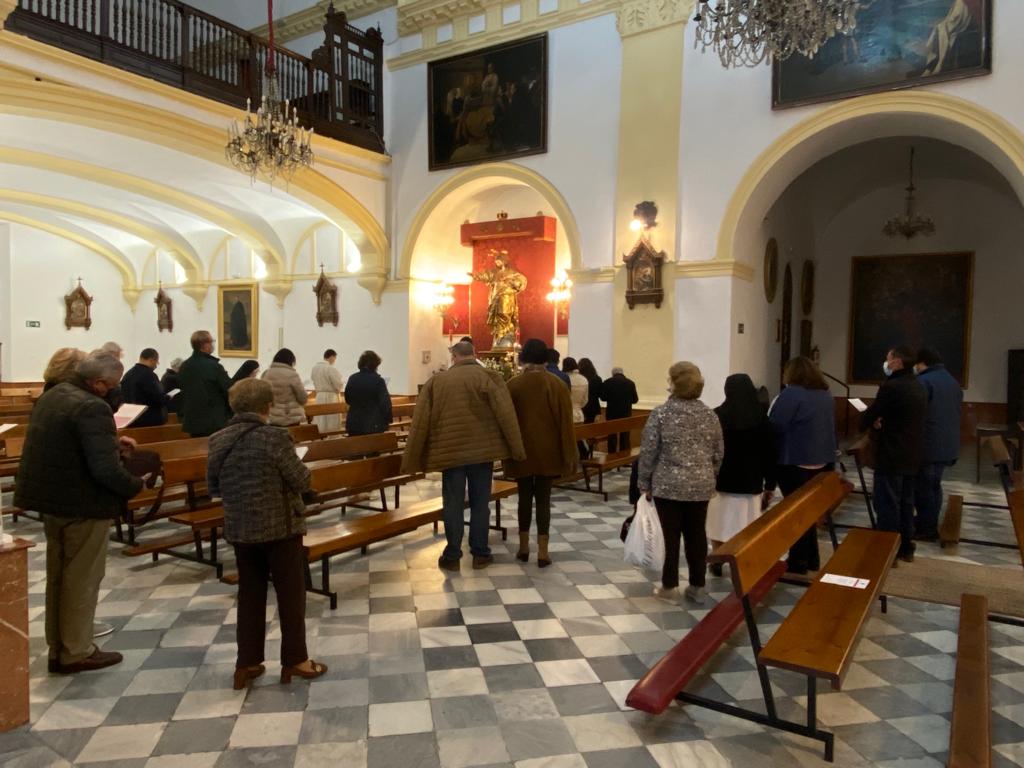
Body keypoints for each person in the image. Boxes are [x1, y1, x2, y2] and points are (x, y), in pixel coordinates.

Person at [15, 354, 144, 674]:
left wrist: (111, 444)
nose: (113, 391)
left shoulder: (54, 395)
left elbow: (68, 445)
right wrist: (134, 485)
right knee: (82, 579)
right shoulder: (92, 406)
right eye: (112, 386)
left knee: (59, 576)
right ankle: (77, 651)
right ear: (98, 383)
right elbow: (103, 470)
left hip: (54, 501)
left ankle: (59, 646)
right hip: (83, 504)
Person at [206, 378, 326, 689]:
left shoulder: (218, 439)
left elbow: (214, 487)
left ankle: (246, 663)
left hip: (241, 528)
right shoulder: (274, 437)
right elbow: (300, 479)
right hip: (280, 528)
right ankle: (295, 660)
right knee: (290, 595)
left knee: (250, 595)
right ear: (266, 405)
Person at [402, 340, 525, 571]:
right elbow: (506, 416)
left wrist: (411, 459)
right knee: (480, 503)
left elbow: (420, 422)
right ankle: (480, 553)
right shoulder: (489, 378)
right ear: (474, 354)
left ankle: (452, 555)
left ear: (454, 357)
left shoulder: (437, 382)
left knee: (453, 504)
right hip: (482, 453)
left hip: (450, 454)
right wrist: (516, 450)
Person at [637, 362, 723, 605]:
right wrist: (708, 474)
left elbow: (649, 451)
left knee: (670, 536)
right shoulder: (709, 414)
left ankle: (669, 586)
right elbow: (718, 452)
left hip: (668, 485)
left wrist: (644, 482)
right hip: (701, 485)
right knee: (697, 536)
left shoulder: (661, 414)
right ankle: (698, 586)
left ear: (673, 384)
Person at [505, 339, 576, 567]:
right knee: (544, 500)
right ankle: (543, 552)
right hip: (549, 451)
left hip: (521, 451)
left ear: (523, 357)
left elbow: (506, 422)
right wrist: (569, 455)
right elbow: (566, 424)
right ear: (545, 358)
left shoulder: (512, 385)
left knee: (524, 498)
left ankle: (524, 547)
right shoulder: (557, 385)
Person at [769, 357, 838, 575]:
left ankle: (799, 561)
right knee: (808, 511)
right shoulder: (824, 395)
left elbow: (776, 426)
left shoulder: (792, 394)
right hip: (821, 460)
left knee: (796, 512)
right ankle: (812, 559)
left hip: (795, 460)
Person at [861, 346, 928, 563]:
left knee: (887, 503)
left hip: (891, 453)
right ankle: (906, 547)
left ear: (897, 362)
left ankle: (885, 552)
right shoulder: (918, 386)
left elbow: (871, 414)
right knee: (906, 503)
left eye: (888, 359)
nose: (886, 363)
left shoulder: (892, 387)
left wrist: (871, 420)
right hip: (912, 452)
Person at [706, 374, 776, 577]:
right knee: (746, 522)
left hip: (722, 480)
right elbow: (770, 453)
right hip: (751, 480)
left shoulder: (717, 415)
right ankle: (743, 558)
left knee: (719, 521)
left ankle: (718, 557)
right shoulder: (761, 418)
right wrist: (770, 484)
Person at [913, 347, 964, 541]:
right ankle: (928, 522)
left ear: (921, 363)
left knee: (924, 487)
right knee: (934, 485)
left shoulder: (924, 381)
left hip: (929, 445)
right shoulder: (951, 381)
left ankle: (927, 528)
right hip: (946, 443)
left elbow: (916, 413)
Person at [178, 330, 233, 437]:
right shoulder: (213, 366)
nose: (213, 345)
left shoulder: (185, 366)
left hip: (193, 419)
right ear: (204, 345)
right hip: (214, 418)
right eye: (211, 342)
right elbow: (228, 388)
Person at [120, 348, 171, 427]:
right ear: (151, 360)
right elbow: (158, 397)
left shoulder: (128, 374)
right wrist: (168, 397)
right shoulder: (150, 375)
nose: (156, 365)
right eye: (156, 362)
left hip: (130, 420)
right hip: (149, 420)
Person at [345, 351, 393, 435]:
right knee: (374, 447)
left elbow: (348, 399)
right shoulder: (378, 381)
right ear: (375, 365)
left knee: (356, 447)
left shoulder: (353, 378)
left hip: (354, 423)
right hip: (373, 424)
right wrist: (388, 419)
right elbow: (385, 403)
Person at [262, 348, 308, 427]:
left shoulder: (267, 374)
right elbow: (302, 398)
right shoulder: (292, 374)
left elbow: (263, 395)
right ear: (291, 361)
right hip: (289, 416)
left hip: (271, 416)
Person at [601, 366, 639, 452]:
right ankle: (624, 456)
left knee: (612, 436)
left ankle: (611, 456)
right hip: (626, 414)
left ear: (613, 373)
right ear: (622, 373)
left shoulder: (607, 382)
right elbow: (635, 400)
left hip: (612, 414)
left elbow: (603, 398)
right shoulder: (630, 383)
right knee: (625, 436)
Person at [311, 349, 344, 434]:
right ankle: (332, 438)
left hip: (319, 396)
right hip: (331, 397)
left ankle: (320, 436)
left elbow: (313, 380)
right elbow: (338, 384)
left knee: (321, 418)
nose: (334, 361)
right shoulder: (330, 368)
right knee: (331, 419)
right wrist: (340, 386)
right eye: (335, 358)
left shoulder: (315, 368)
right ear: (332, 357)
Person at [562, 356, 589, 459]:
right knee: (579, 437)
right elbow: (585, 400)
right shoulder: (583, 379)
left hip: (567, 413)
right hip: (579, 413)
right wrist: (578, 407)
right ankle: (582, 455)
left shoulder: (564, 378)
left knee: (568, 439)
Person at [578, 358, 603, 424]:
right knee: (592, 429)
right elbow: (600, 394)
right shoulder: (597, 378)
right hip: (594, 406)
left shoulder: (579, 378)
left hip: (581, 405)